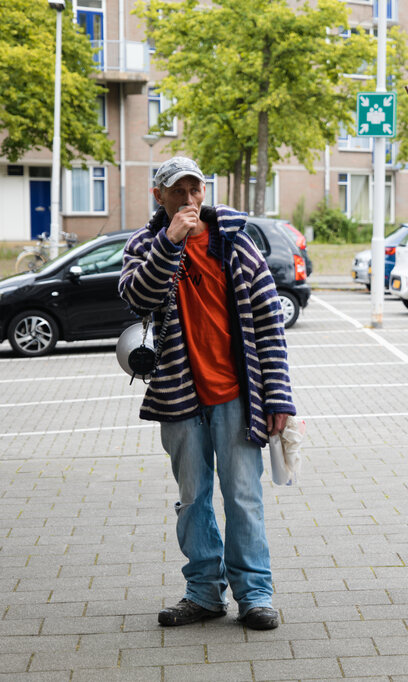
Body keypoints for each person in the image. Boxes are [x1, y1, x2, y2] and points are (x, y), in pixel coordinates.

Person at [119, 157, 295, 630]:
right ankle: (203, 593)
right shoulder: (143, 245)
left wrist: (277, 396)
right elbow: (139, 297)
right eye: (178, 191)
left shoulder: (234, 241)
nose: (190, 199)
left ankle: (255, 595)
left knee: (243, 497)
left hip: (237, 393)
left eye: (196, 189)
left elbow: (268, 323)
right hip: (178, 394)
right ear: (160, 197)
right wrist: (169, 242)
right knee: (192, 497)